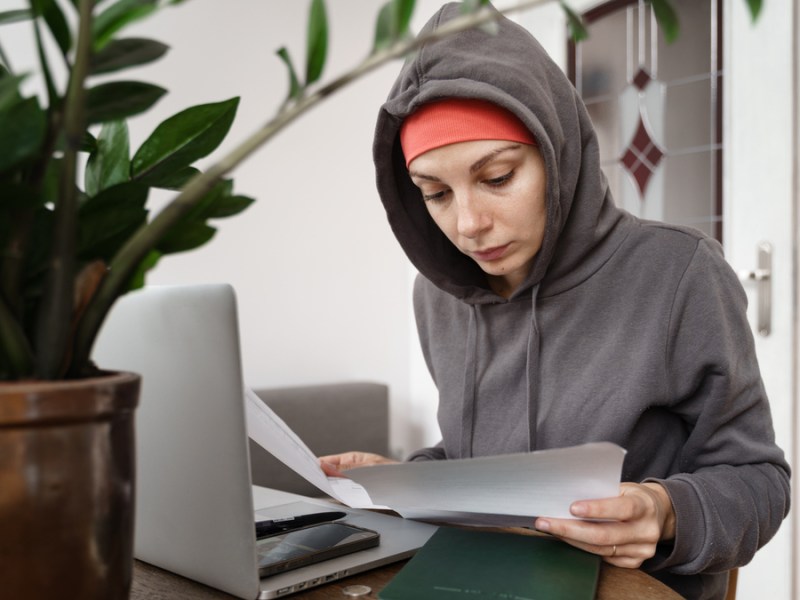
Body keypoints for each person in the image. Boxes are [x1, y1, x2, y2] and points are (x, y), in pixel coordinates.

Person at [320, 3, 790, 598]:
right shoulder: (437, 295)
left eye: (496, 178)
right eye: (435, 193)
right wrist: (402, 481)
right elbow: (480, 458)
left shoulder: (679, 274)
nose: (468, 224)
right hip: (473, 582)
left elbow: (759, 480)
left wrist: (664, 509)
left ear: (557, 151)